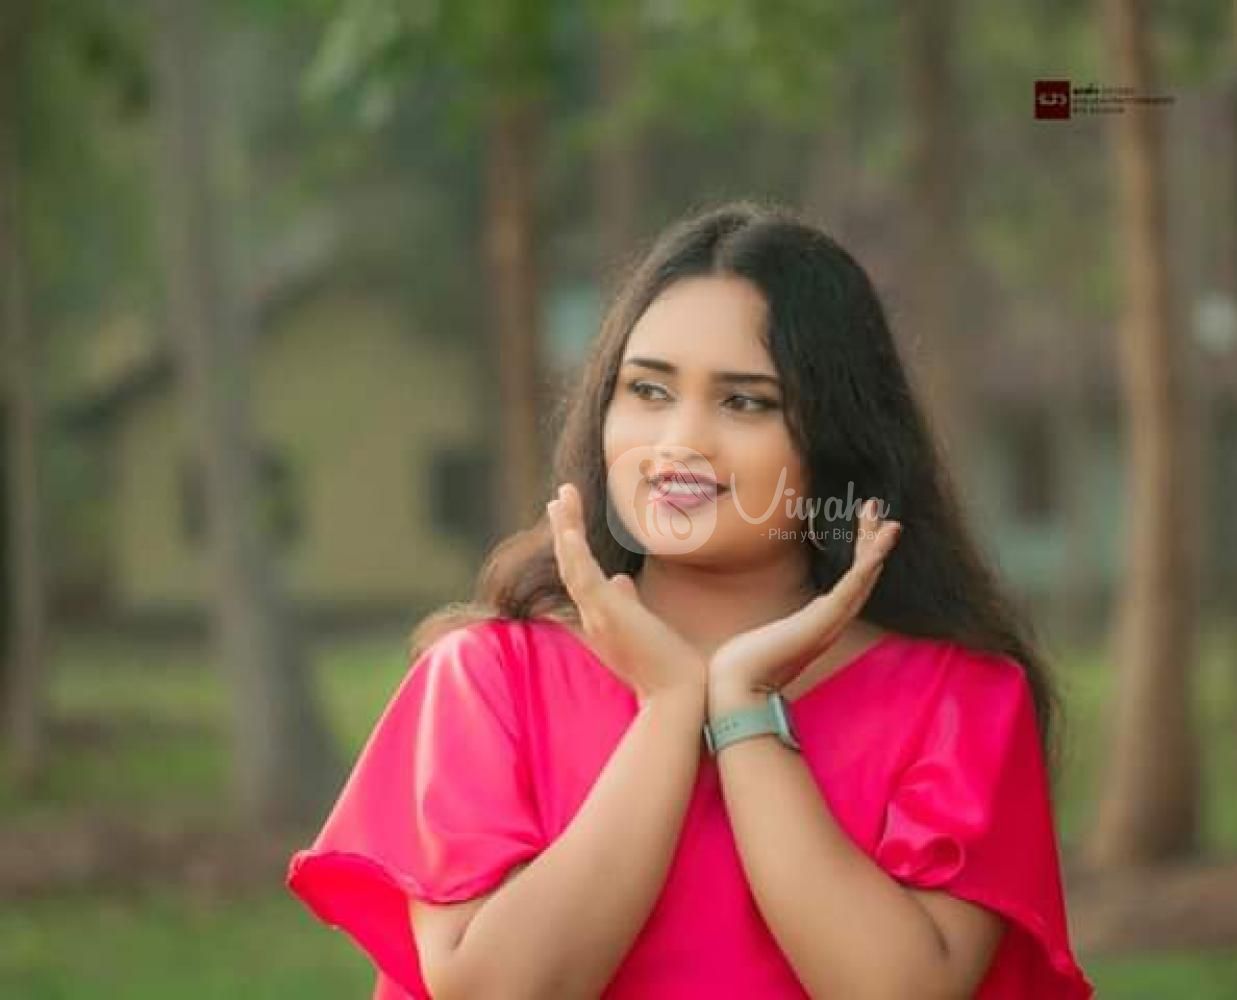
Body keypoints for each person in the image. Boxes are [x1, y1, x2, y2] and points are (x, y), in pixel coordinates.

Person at [286, 200, 1094, 999]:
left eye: (745, 401)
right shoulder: (487, 680)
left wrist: (743, 708)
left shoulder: (957, 699)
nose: (680, 443)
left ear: (839, 441)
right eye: (648, 391)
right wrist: (670, 706)